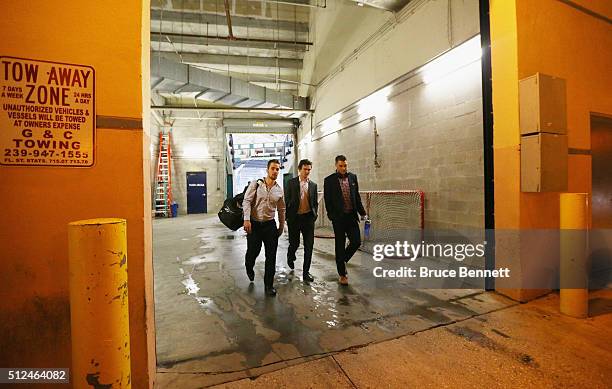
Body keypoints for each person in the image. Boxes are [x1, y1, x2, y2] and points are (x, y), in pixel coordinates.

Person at [242, 159, 286, 296]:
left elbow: (282, 209)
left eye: (277, 169)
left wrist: (282, 225)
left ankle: (269, 285)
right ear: (267, 170)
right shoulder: (256, 184)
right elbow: (247, 201)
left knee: (271, 256)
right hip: (254, 225)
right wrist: (247, 219)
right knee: (253, 252)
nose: (275, 171)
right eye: (273, 168)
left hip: (270, 226)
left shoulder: (279, 190)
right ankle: (249, 266)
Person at [323, 155, 366, 285]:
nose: (343, 168)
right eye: (341, 166)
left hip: (351, 217)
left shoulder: (353, 177)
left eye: (345, 165)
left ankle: (342, 260)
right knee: (340, 245)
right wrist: (331, 216)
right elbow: (327, 200)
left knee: (356, 242)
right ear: (336, 165)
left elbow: (356, 197)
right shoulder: (329, 180)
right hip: (338, 219)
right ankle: (342, 274)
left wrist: (362, 212)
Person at [284, 159, 319, 283]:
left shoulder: (313, 185)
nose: (307, 171)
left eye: (309, 169)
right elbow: (286, 201)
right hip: (295, 218)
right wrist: (287, 218)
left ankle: (305, 273)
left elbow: (314, 202)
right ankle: (290, 255)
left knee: (309, 246)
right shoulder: (291, 183)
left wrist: (315, 215)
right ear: (299, 169)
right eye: (305, 169)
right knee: (295, 243)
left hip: (308, 219)